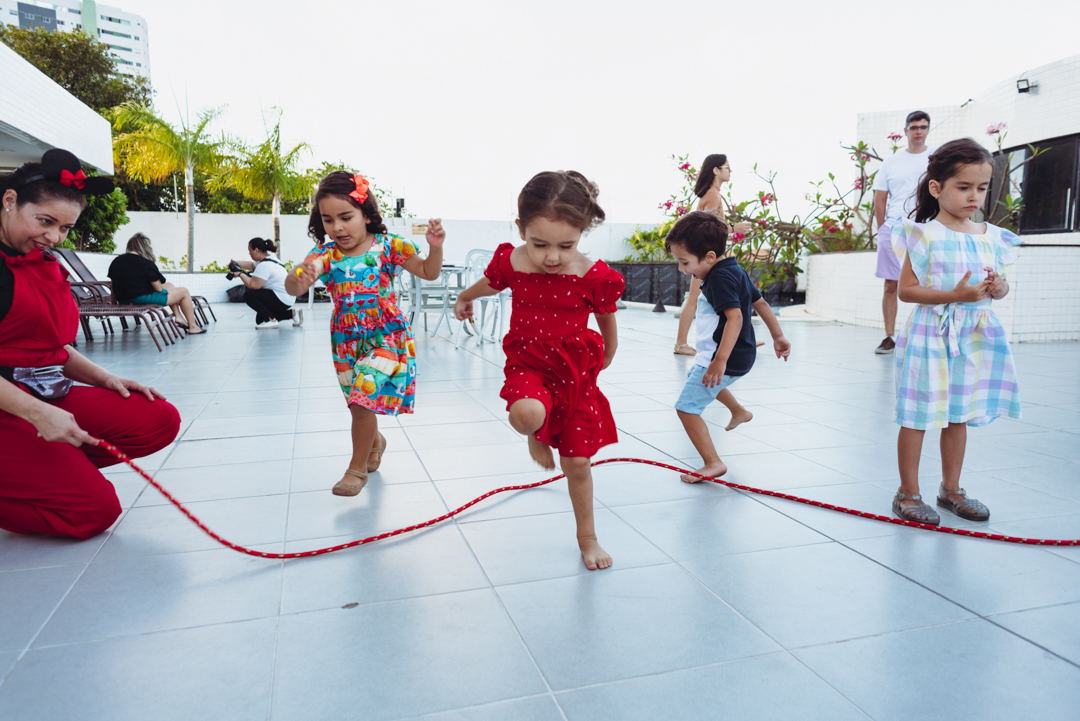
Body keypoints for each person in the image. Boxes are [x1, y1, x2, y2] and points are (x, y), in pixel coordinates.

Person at [0, 149, 180, 539]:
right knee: (92, 512)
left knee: (157, 419)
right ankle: (41, 472)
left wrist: (104, 378)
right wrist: (36, 414)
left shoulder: (41, 259)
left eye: (64, 228)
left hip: (42, 389)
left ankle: (43, 468)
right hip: (10, 402)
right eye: (45, 221)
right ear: (10, 201)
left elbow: (50, 344)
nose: (53, 237)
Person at [454, 171, 624, 571]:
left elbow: (607, 323)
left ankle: (588, 538)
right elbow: (489, 285)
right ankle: (535, 433)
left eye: (566, 245)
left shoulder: (591, 275)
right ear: (520, 229)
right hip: (528, 364)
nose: (552, 257)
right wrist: (465, 296)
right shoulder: (513, 261)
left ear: (582, 232)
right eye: (539, 244)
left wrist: (607, 357)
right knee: (527, 413)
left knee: (578, 464)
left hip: (576, 375)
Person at [287, 172, 446, 496]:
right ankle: (375, 442)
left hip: (387, 337)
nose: (338, 227)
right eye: (328, 220)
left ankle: (356, 470)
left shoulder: (390, 247)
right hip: (346, 340)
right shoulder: (325, 255)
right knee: (357, 402)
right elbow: (294, 286)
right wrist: (298, 277)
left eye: (346, 217)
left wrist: (435, 249)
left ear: (366, 214)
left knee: (363, 399)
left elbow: (429, 273)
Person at [890, 138, 1021, 525]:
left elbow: (1002, 285)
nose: (974, 197)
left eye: (981, 188)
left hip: (973, 336)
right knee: (917, 413)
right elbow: (907, 290)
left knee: (958, 414)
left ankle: (951, 489)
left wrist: (998, 288)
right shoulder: (923, 234)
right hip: (932, 333)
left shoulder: (992, 236)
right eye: (963, 187)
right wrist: (955, 294)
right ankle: (907, 493)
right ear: (937, 187)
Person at [667, 211, 790, 482]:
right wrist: (778, 336)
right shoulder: (734, 269)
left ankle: (713, 463)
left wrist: (720, 360)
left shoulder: (718, 279)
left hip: (725, 357)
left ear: (709, 257)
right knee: (698, 378)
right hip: (741, 354)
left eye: (684, 262)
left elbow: (735, 316)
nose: (682, 269)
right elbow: (762, 304)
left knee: (686, 407)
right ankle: (738, 411)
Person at [674, 154, 753, 356]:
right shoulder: (713, 195)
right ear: (716, 170)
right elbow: (707, 228)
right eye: (727, 167)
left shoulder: (712, 193)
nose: (730, 171)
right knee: (693, 299)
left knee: (698, 299)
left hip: (706, 257)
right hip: (704, 258)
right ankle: (681, 343)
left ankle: (733, 341)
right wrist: (735, 227)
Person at [871, 110, 932, 354]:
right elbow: (880, 198)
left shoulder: (935, 158)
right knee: (890, 284)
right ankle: (888, 337)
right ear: (906, 130)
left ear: (928, 130)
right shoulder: (891, 162)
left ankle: (928, 335)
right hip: (894, 227)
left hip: (925, 227)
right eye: (914, 127)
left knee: (930, 281)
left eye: (923, 127)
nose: (918, 131)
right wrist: (882, 228)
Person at [107, 232, 205, 333]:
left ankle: (178, 316)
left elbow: (113, 285)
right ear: (145, 248)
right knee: (183, 292)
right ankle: (193, 327)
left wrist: (114, 302)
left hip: (124, 300)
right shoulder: (146, 263)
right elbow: (158, 289)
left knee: (170, 286)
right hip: (141, 298)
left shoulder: (116, 261)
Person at [229, 237, 302, 329]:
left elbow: (253, 285)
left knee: (249, 295)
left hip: (282, 298)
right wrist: (236, 263)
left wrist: (240, 274)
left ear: (256, 250)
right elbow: (252, 265)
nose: (249, 254)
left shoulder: (265, 265)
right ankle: (292, 314)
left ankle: (271, 321)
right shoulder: (270, 259)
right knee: (260, 320)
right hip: (287, 297)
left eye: (250, 251)